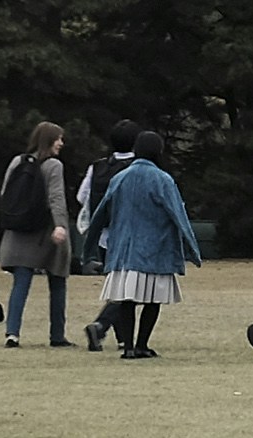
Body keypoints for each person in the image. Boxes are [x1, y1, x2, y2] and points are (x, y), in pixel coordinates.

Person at [85, 131, 201, 359]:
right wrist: (193, 250)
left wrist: (88, 249)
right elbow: (178, 215)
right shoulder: (162, 179)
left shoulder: (119, 178)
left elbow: (100, 214)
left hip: (123, 249)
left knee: (126, 300)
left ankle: (128, 347)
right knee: (153, 300)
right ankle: (142, 345)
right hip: (155, 249)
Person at [0, 121, 72, 347]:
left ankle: (12, 333)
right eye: (58, 139)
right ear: (49, 140)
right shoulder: (54, 165)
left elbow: (5, 193)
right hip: (44, 231)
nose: (61, 143)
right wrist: (60, 225)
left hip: (19, 229)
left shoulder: (17, 161)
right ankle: (57, 335)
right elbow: (56, 197)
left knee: (20, 283)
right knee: (57, 281)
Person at [75, 120, 139, 277]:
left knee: (110, 278)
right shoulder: (140, 167)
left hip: (102, 233)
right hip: (133, 232)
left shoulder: (97, 166)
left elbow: (81, 196)